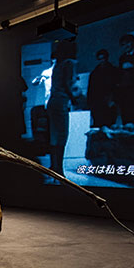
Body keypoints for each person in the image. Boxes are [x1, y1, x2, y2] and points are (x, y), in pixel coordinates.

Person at [46, 41, 78, 176]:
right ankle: (59, 169)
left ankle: (54, 166)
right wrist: (74, 98)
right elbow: (67, 83)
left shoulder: (57, 65)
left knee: (54, 135)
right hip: (61, 101)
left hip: (52, 101)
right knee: (62, 135)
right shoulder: (69, 63)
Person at [87, 49, 118, 127]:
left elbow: (116, 87)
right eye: (100, 59)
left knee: (109, 124)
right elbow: (91, 90)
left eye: (103, 58)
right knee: (100, 123)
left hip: (109, 101)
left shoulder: (113, 71)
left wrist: (114, 99)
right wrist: (90, 104)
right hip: (98, 103)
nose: (102, 61)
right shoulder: (95, 73)